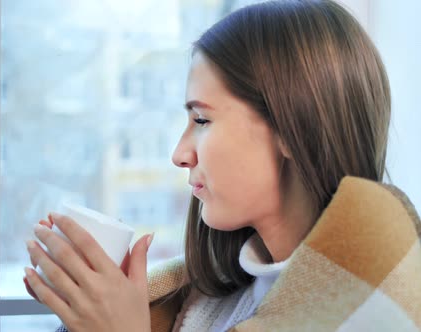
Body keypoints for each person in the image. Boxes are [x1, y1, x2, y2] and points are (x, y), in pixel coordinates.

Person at [24, 0, 421, 331]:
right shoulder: (206, 304)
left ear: (290, 126)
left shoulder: (379, 313)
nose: (179, 154)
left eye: (201, 120)